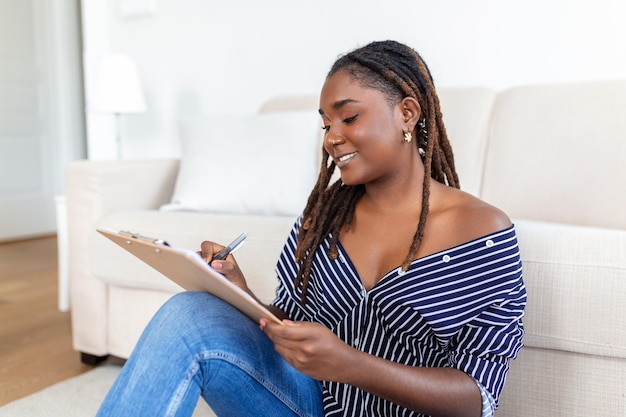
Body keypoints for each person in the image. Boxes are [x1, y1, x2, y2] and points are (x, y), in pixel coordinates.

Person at [96, 40, 526, 417]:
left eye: (349, 117)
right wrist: (240, 291)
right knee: (190, 313)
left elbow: (477, 398)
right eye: (326, 123)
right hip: (310, 405)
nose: (331, 138)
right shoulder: (326, 214)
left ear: (407, 114)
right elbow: (296, 329)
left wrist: (352, 364)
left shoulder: (480, 231)